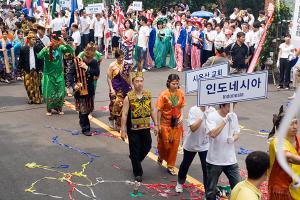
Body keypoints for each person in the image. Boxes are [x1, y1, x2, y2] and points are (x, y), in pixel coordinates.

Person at [120, 71, 158, 182]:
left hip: (145, 127)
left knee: (147, 146)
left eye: (141, 81)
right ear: (133, 83)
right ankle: (138, 172)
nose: (139, 83)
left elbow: (151, 110)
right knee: (135, 150)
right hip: (133, 128)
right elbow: (125, 114)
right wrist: (123, 129)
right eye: (137, 81)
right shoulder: (129, 97)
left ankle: (135, 159)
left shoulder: (148, 95)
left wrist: (156, 124)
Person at [176, 106, 215, 193]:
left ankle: (207, 191)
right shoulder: (193, 110)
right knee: (185, 164)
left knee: (206, 168)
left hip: (205, 145)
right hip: (191, 143)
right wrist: (202, 116)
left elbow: (214, 127)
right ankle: (180, 182)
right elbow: (193, 128)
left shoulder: (212, 110)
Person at [205, 103, 241, 200]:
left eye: (234, 106)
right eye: (229, 106)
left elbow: (237, 133)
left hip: (231, 159)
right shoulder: (211, 116)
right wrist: (225, 121)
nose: (231, 109)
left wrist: (233, 138)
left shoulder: (233, 116)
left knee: (238, 186)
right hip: (215, 160)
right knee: (211, 190)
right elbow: (213, 133)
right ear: (222, 105)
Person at [268, 105, 300, 199]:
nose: (295, 127)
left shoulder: (299, 139)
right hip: (281, 190)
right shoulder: (277, 142)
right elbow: (288, 157)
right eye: (291, 124)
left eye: (296, 123)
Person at [37, 34, 74, 116]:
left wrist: (64, 43)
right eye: (55, 43)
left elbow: (71, 51)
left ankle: (59, 108)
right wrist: (45, 47)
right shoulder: (47, 50)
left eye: (58, 43)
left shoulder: (60, 48)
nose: (57, 45)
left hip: (59, 74)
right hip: (49, 74)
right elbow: (39, 56)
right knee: (50, 93)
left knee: (60, 91)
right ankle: (49, 109)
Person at [156, 74, 185, 175]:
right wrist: (158, 125)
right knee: (165, 145)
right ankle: (161, 156)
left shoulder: (181, 93)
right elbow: (159, 110)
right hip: (165, 123)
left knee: (174, 146)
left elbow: (181, 107)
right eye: (173, 84)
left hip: (176, 124)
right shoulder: (163, 95)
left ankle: (170, 166)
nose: (175, 86)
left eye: (177, 84)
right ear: (168, 83)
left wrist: (182, 117)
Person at [68, 50, 100, 136]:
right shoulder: (77, 61)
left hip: (89, 89)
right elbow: (70, 74)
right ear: (84, 56)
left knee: (88, 109)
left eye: (91, 58)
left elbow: (97, 73)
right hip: (80, 90)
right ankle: (86, 128)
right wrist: (73, 84)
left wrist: (87, 68)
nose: (89, 60)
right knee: (83, 110)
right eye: (87, 58)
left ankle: (82, 122)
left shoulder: (94, 62)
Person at [107, 49, 131, 130]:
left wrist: (131, 86)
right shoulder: (112, 66)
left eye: (122, 57)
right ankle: (111, 119)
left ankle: (119, 124)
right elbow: (109, 78)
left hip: (124, 88)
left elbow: (128, 76)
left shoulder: (126, 65)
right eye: (120, 57)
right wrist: (111, 89)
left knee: (122, 106)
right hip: (115, 88)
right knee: (114, 105)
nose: (121, 59)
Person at [19, 31, 42, 104]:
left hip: (36, 69)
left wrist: (41, 69)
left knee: (36, 85)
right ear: (28, 40)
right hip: (27, 70)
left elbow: (41, 59)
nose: (34, 41)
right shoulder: (23, 49)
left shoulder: (38, 48)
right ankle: (31, 98)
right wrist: (20, 71)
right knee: (28, 85)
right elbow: (21, 60)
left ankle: (37, 99)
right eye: (33, 39)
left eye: (35, 39)